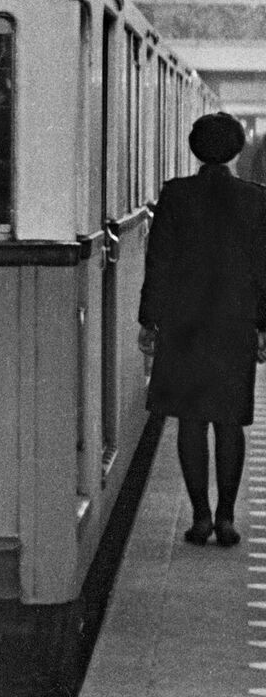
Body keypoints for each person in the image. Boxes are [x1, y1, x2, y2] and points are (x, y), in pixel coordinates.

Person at [138, 111, 266, 547]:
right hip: (233, 322)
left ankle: (200, 518)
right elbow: (263, 270)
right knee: (230, 423)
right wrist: (263, 326)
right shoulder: (255, 199)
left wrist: (149, 320)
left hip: (185, 323)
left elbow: (159, 262)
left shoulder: (175, 195)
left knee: (191, 422)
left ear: (195, 149)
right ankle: (228, 518)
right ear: (235, 150)